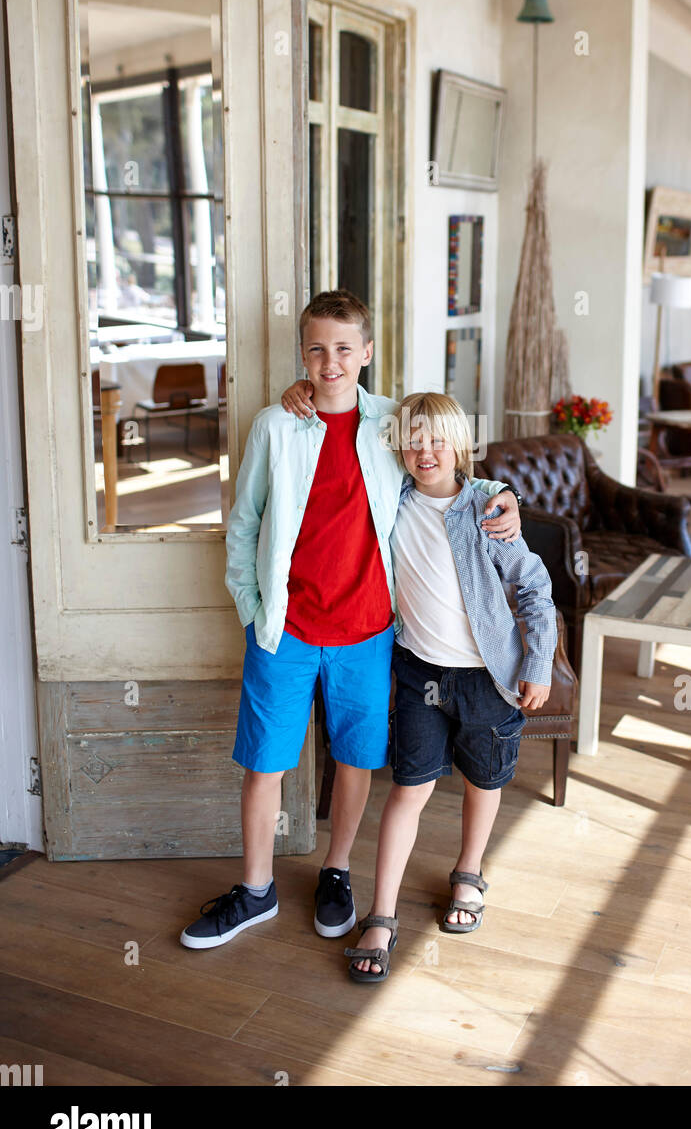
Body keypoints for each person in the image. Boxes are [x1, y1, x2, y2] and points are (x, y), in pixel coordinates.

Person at [179, 290, 521, 949]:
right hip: (286, 630)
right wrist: (253, 612)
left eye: (343, 348)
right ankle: (255, 890)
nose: (329, 361)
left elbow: (449, 465)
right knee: (264, 763)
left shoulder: (393, 422)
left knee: (356, 759)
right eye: (315, 349)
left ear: (366, 353)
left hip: (368, 633)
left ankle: (336, 871)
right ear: (301, 354)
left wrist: (500, 492)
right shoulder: (275, 426)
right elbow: (244, 523)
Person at [344, 391, 556, 984]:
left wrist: (537, 663)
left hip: (489, 676)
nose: (424, 451)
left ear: (460, 445)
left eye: (438, 439)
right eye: (413, 439)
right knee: (408, 787)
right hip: (420, 673)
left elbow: (535, 589)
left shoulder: (486, 508)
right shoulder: (393, 501)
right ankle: (382, 915)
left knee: (482, 780)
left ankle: (468, 872)